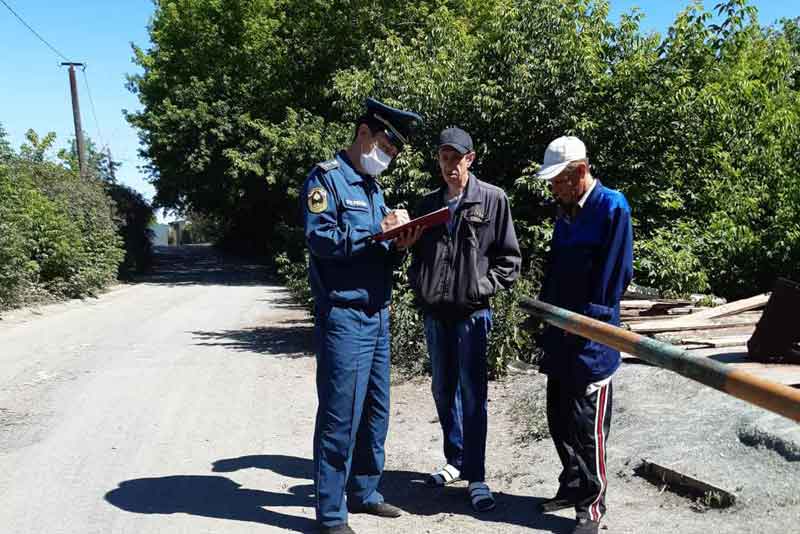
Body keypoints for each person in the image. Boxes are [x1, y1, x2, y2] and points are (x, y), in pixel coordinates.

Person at [302, 98, 424, 534]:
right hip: (344, 314)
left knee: (376, 410)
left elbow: (375, 249)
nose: (388, 158)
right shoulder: (326, 179)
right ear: (364, 133)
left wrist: (399, 240)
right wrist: (377, 231)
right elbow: (322, 240)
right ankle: (332, 514)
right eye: (386, 148)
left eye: (394, 153)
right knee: (340, 415)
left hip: (378, 312)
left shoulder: (373, 188)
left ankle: (365, 491)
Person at [408, 127, 521, 513]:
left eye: (457, 158)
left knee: (474, 397)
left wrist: (480, 287)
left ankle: (477, 476)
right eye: (444, 158)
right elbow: (416, 255)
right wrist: (421, 287)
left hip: (472, 314)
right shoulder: (428, 203)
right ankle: (455, 460)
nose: (450, 166)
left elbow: (510, 261)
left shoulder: (492, 199)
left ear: (470, 159)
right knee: (443, 390)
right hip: (436, 314)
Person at [534, 136, 633, 534]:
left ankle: (592, 505)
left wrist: (589, 326)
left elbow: (614, 277)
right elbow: (556, 267)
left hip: (592, 336)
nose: (552, 188)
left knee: (587, 425)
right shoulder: (565, 210)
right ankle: (573, 484)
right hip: (559, 331)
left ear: (579, 172)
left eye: (557, 180)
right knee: (558, 417)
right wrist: (542, 312)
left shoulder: (612, 207)